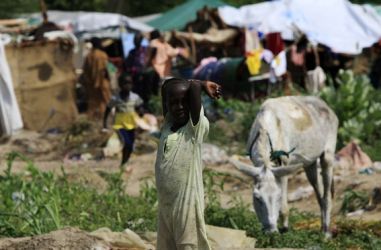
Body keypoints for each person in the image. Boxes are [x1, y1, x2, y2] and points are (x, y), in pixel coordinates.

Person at [155, 77, 221, 250]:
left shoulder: (194, 129)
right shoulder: (167, 124)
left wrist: (201, 84)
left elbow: (193, 91)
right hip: (166, 206)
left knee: (188, 244)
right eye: (173, 103)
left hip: (187, 205)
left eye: (184, 102)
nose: (179, 107)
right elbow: (165, 89)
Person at [103, 73, 143, 172]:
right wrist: (104, 123)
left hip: (132, 124)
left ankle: (124, 163)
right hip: (119, 124)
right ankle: (123, 163)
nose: (127, 85)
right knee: (127, 143)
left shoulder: (134, 97)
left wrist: (142, 115)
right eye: (125, 83)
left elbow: (139, 108)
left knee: (130, 146)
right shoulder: (115, 98)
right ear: (120, 85)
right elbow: (108, 109)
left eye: (129, 83)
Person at [82, 37, 112, 119]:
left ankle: (94, 120)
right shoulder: (102, 55)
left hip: (91, 85)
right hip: (103, 84)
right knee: (105, 102)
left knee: (94, 103)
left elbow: (85, 71)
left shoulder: (88, 56)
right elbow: (108, 70)